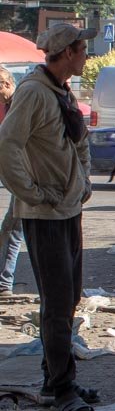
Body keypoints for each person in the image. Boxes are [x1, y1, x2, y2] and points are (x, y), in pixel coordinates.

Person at [0, 24, 96, 411]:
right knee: (56, 304)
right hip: (45, 213)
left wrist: (84, 181)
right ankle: (61, 389)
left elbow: (77, 140)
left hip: (67, 209)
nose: (86, 55)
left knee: (69, 298)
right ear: (67, 52)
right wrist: (32, 192)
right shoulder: (34, 92)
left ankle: (53, 378)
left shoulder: (59, 88)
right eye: (82, 49)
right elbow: (7, 144)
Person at [0, 67, 23, 295]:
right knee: (10, 229)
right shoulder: (10, 104)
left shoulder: (19, 103)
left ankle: (4, 283)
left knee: (13, 230)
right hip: (22, 179)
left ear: (6, 85)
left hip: (28, 178)